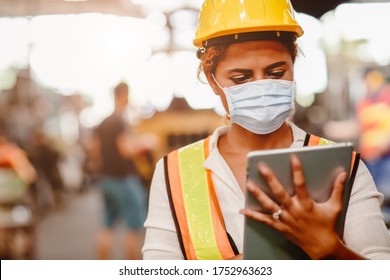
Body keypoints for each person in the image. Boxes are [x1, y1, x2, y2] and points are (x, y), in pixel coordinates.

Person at [142, 0, 390, 260]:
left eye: (276, 72)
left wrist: (331, 250)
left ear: (294, 65)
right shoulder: (175, 172)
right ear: (212, 79)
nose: (261, 86)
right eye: (241, 78)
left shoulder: (343, 167)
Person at [93, 82, 147, 260]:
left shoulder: (102, 123)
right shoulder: (119, 121)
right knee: (133, 230)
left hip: (106, 179)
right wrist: (144, 144)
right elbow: (125, 150)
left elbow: (94, 150)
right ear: (124, 94)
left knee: (106, 227)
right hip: (123, 180)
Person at [355, 69, 390, 226]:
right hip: (369, 159)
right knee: (375, 196)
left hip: (385, 158)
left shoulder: (387, 97)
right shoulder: (363, 103)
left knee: (387, 191)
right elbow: (360, 129)